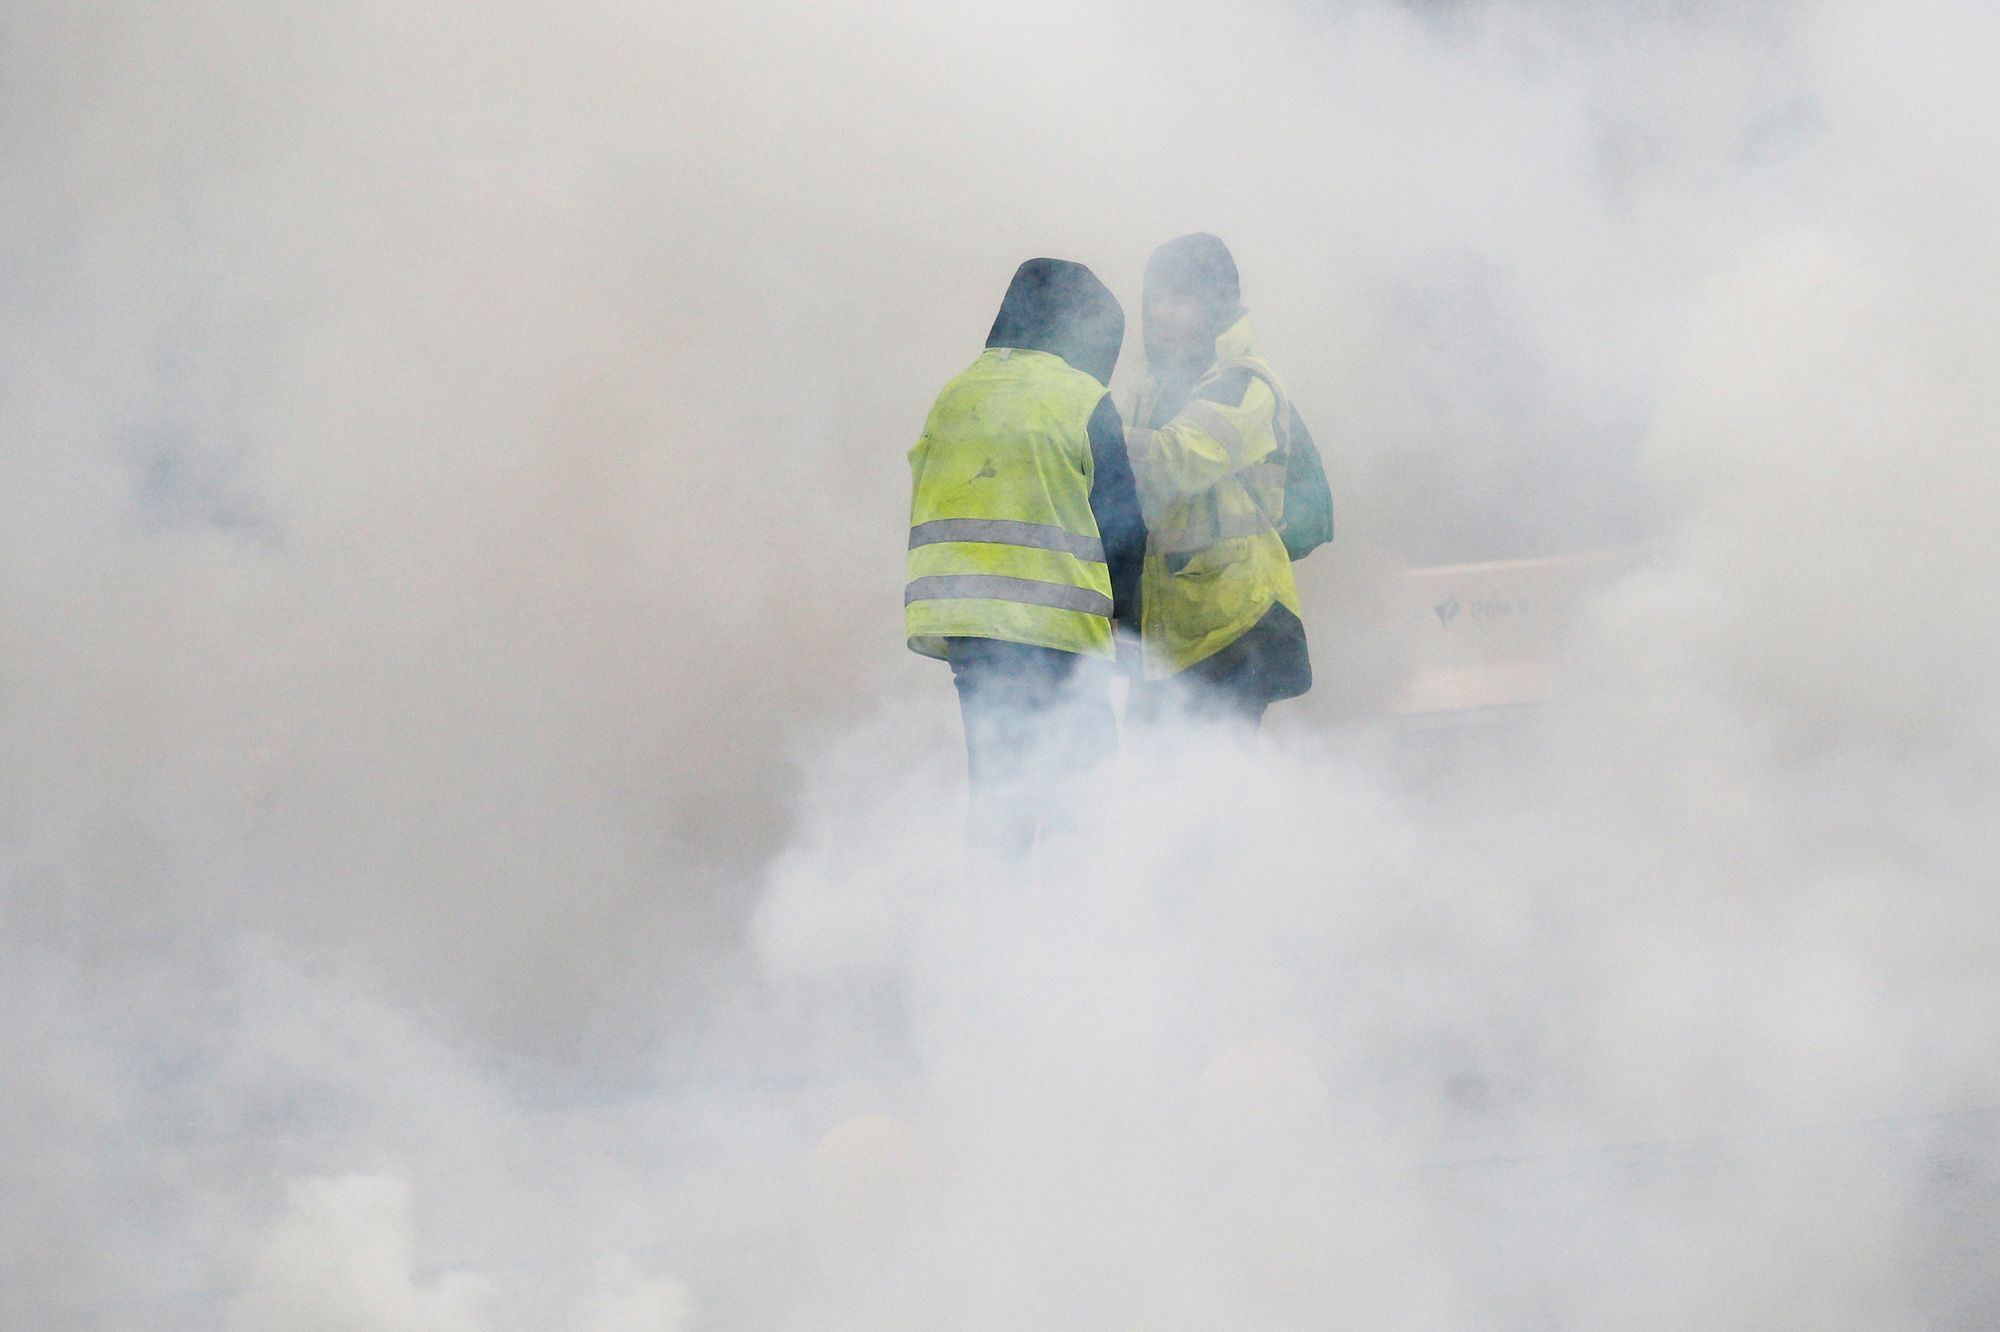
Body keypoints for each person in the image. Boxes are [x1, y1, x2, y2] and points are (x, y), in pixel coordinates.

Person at [905, 258, 1144, 856]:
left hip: (971, 630)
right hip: (1058, 631)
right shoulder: (1081, 399)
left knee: (998, 790)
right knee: (1077, 791)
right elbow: (1122, 526)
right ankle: (1065, 936)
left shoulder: (955, 395)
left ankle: (992, 934)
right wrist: (1134, 630)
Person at [1123, 233, 1313, 729]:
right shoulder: (1149, 391)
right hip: (1174, 629)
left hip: (1236, 621)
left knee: (1215, 788)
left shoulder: (1246, 383)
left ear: (1215, 305)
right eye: (1154, 299)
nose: (1160, 313)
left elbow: (1176, 460)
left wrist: (1089, 430)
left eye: (1179, 298)